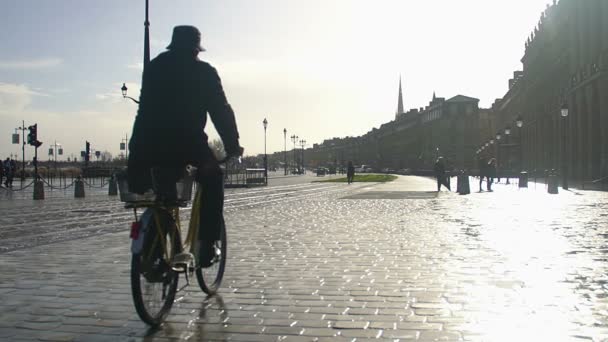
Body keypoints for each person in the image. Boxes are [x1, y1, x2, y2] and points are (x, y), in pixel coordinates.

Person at [128, 25, 243, 267]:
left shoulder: (155, 67)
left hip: (150, 143)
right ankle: (207, 244)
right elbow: (221, 111)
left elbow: (143, 111)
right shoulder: (204, 72)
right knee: (213, 178)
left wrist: (136, 150)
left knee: (164, 193)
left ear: (173, 44)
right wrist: (232, 145)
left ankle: (157, 250)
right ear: (195, 48)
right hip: (188, 142)